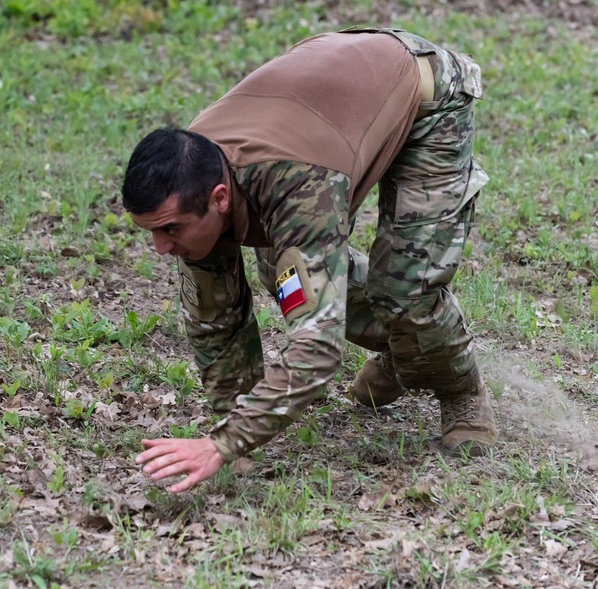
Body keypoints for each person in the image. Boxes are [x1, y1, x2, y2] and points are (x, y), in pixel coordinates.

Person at [121, 26, 497, 493]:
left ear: (219, 198)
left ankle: (459, 388)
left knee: (406, 288)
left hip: (425, 94)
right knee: (279, 269)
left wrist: (222, 444)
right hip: (329, 100)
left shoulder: (299, 186)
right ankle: (408, 352)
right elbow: (215, 319)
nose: (161, 247)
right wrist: (231, 435)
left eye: (170, 230)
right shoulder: (192, 170)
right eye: (152, 231)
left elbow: (316, 349)